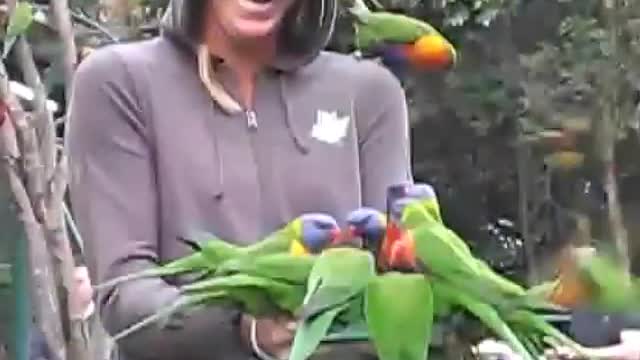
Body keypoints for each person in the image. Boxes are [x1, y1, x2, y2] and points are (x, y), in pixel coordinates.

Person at [65, 0, 412, 359]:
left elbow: (398, 279)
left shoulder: (369, 95)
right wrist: (246, 331)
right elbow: (126, 294)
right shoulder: (119, 82)